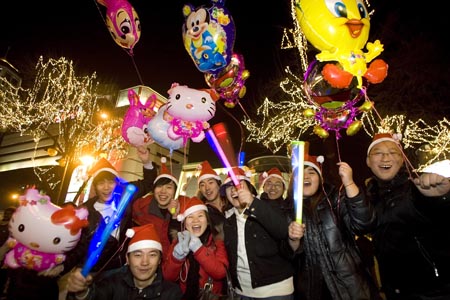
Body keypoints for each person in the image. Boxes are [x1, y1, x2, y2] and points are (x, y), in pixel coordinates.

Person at [363, 132, 450, 299]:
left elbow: (441, 214)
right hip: (394, 292)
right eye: (378, 153)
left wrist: (444, 197)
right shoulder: (368, 197)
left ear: (402, 159)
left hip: (435, 291)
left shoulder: (417, 188)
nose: (385, 157)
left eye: (393, 152)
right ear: (368, 161)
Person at [287, 146, 381, 300]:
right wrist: (293, 240)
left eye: (312, 172)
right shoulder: (286, 210)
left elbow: (364, 224)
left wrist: (349, 183)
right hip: (312, 290)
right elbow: (287, 255)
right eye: (300, 173)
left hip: (351, 285)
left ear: (320, 179)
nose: (306, 176)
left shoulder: (335, 201)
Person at [220, 167, 295, 299]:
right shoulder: (227, 220)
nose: (233, 189)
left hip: (275, 291)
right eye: (229, 186)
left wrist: (253, 203)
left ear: (249, 190)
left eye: (238, 185)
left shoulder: (266, 207)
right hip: (242, 292)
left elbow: (283, 230)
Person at [66, 223, 183, 299]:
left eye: (152, 255)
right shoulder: (111, 282)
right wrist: (81, 293)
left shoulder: (172, 294)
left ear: (159, 260)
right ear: (127, 258)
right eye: (138, 255)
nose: (144, 262)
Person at [163, 196, 228, 299]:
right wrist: (177, 258)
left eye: (200, 216)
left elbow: (220, 272)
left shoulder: (217, 240)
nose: (195, 221)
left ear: (207, 221)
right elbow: (168, 277)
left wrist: (198, 249)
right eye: (190, 217)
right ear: (184, 223)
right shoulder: (179, 241)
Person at [132, 157, 181, 254]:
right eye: (159, 186)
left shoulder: (183, 209)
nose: (163, 191)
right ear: (153, 190)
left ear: (175, 191)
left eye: (168, 187)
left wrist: (175, 217)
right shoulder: (140, 207)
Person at [196, 160, 227, 229]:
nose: (207, 188)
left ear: (219, 184)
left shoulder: (231, 204)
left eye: (210, 182)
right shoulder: (201, 211)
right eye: (202, 185)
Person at [0, 207, 15, 296]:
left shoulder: (12, 227)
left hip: (3, 256)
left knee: (2, 276)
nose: (6, 214)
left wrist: (7, 260)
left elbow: (11, 245)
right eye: (6, 212)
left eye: (9, 213)